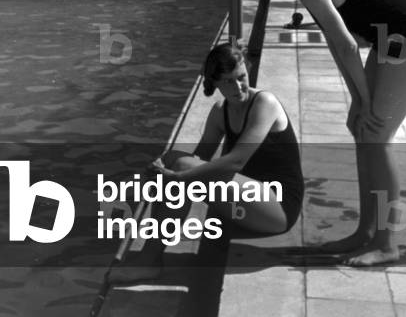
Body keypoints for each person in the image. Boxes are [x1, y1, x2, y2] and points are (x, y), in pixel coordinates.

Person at [244, 0, 406, 267]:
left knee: (377, 137)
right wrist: (356, 99)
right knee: (362, 130)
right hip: (391, 39)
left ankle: (386, 243)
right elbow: (338, 47)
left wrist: (366, 101)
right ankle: (364, 233)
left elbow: (349, 46)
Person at [109, 42, 303, 283]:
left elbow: (236, 162)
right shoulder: (220, 111)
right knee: (172, 159)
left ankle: (150, 261)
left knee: (179, 171)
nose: (239, 86)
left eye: (242, 77)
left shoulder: (265, 103)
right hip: (245, 204)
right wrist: (158, 174)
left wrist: (178, 177)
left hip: (278, 210)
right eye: (229, 81)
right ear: (216, 83)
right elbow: (197, 160)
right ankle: (152, 253)